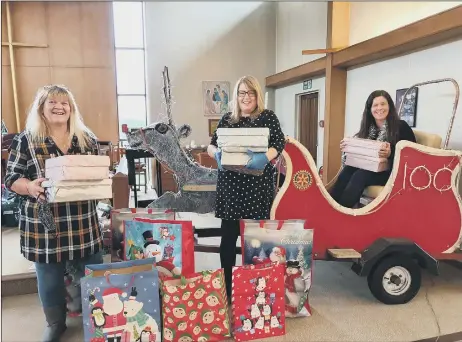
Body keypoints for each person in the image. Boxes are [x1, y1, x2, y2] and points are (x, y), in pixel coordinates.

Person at [4, 85, 103, 342]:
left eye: (65, 103)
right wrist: (29, 186)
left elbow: (100, 172)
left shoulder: (87, 138)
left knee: (90, 272)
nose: (59, 107)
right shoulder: (26, 139)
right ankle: (55, 323)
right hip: (43, 221)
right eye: (52, 103)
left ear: (71, 109)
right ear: (42, 108)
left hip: (82, 218)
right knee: (49, 278)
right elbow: (11, 177)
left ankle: (95, 319)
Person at [207, 76, 286, 298]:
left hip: (257, 185)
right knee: (229, 237)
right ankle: (228, 287)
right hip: (231, 185)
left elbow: (279, 142)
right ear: (236, 96)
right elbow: (211, 145)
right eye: (242, 93)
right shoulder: (227, 119)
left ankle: (255, 287)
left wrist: (265, 157)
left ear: (257, 95)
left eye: (250, 93)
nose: (246, 97)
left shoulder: (268, 117)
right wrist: (217, 155)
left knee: (256, 239)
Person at [330, 90, 416, 208]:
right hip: (370, 168)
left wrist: (391, 153)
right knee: (347, 171)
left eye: (383, 104)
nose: (379, 108)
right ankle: (331, 208)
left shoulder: (401, 126)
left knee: (360, 175)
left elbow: (412, 154)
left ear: (389, 106)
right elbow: (360, 153)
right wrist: (348, 148)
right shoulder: (367, 129)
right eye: (375, 105)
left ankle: (344, 212)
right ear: (370, 109)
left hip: (390, 172)